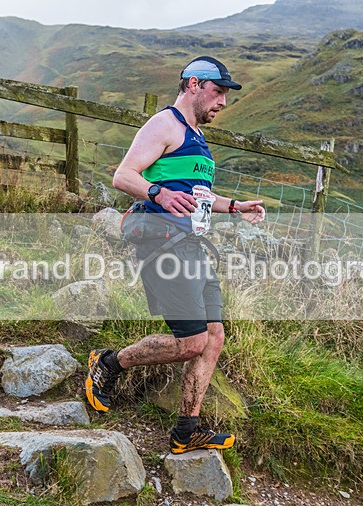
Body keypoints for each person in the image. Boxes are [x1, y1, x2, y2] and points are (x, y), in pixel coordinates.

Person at [85, 56, 265, 454]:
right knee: (191, 342)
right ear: (194, 84)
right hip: (164, 243)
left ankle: (187, 430)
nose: (222, 103)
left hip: (193, 245)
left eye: (225, 96)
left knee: (213, 337)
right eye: (218, 93)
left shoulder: (197, 137)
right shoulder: (165, 124)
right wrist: (157, 193)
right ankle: (109, 364)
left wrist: (236, 206)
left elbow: (198, 197)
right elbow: (124, 175)